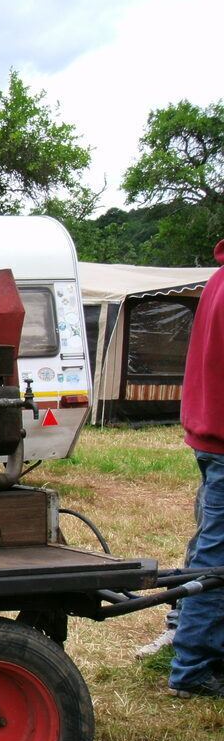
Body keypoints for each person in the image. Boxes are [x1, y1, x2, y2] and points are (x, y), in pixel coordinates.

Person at [168, 238, 224, 697]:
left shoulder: (217, 279)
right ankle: (193, 667)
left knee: (209, 546)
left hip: (209, 435)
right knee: (216, 559)